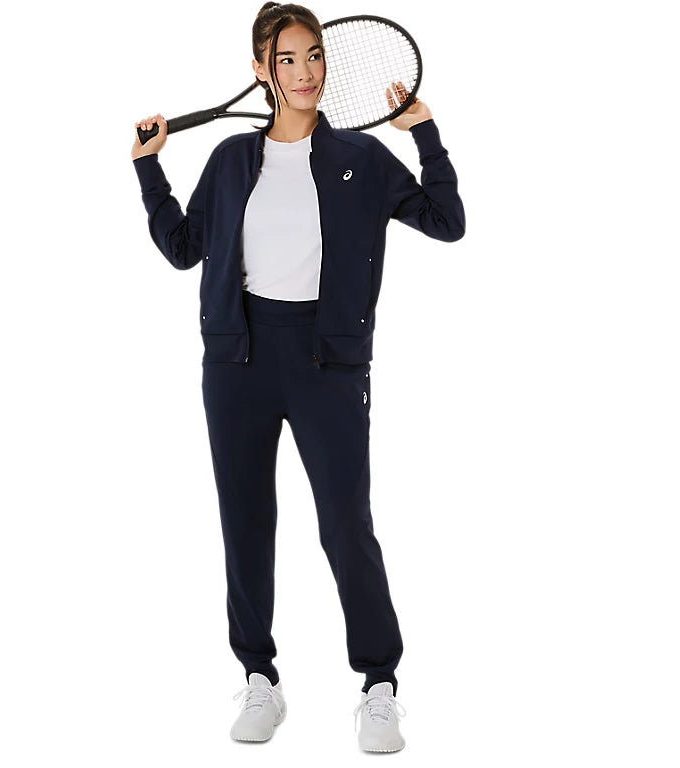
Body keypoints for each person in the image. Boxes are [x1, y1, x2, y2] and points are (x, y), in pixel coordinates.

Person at [131, 2, 464, 753]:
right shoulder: (229, 161)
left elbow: (448, 221)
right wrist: (149, 169)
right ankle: (259, 676)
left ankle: (379, 685)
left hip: (328, 364)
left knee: (346, 525)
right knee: (245, 522)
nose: (305, 71)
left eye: (314, 55)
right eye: (286, 59)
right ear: (260, 70)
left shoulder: (362, 160)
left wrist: (424, 134)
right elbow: (183, 248)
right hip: (238, 361)